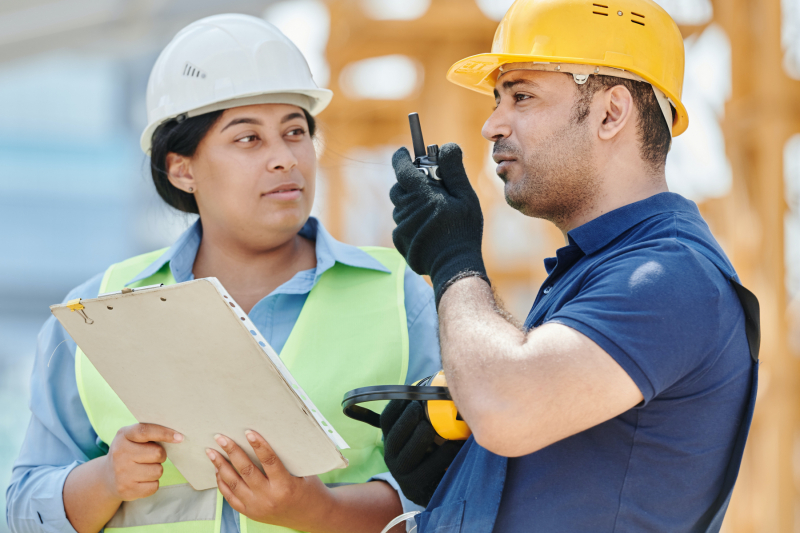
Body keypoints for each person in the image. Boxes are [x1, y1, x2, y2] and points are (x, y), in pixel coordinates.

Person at [6, 14, 438, 533]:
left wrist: (318, 511)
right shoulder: (98, 310)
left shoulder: (400, 297)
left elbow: (455, 492)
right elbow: (23, 510)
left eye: (295, 132)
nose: (285, 159)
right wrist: (105, 481)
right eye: (248, 139)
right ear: (182, 168)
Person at [381, 0, 760, 531]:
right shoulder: (592, 275)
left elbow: (506, 405)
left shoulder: (669, 276)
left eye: (522, 96)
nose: (492, 124)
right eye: (498, 99)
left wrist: (453, 260)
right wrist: (461, 480)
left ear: (611, 112)